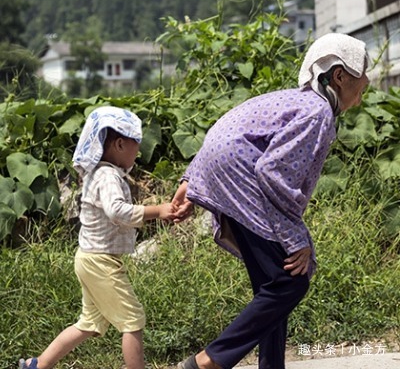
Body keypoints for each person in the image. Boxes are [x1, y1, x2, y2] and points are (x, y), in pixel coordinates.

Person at [172, 33, 370, 369]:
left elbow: (230, 126)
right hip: (241, 178)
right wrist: (297, 240)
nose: (362, 97)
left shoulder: (295, 101)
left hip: (223, 171)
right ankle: (207, 362)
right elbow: (274, 176)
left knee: (273, 285)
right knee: (290, 282)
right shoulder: (317, 112)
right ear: (340, 76)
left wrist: (192, 178)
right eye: (362, 85)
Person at [19, 106, 176, 369]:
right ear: (119, 144)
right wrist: (157, 211)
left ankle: (37, 365)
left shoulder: (99, 174)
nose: (139, 150)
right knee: (133, 320)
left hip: (90, 258)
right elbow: (117, 211)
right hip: (100, 261)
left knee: (89, 323)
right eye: (137, 143)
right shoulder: (107, 175)